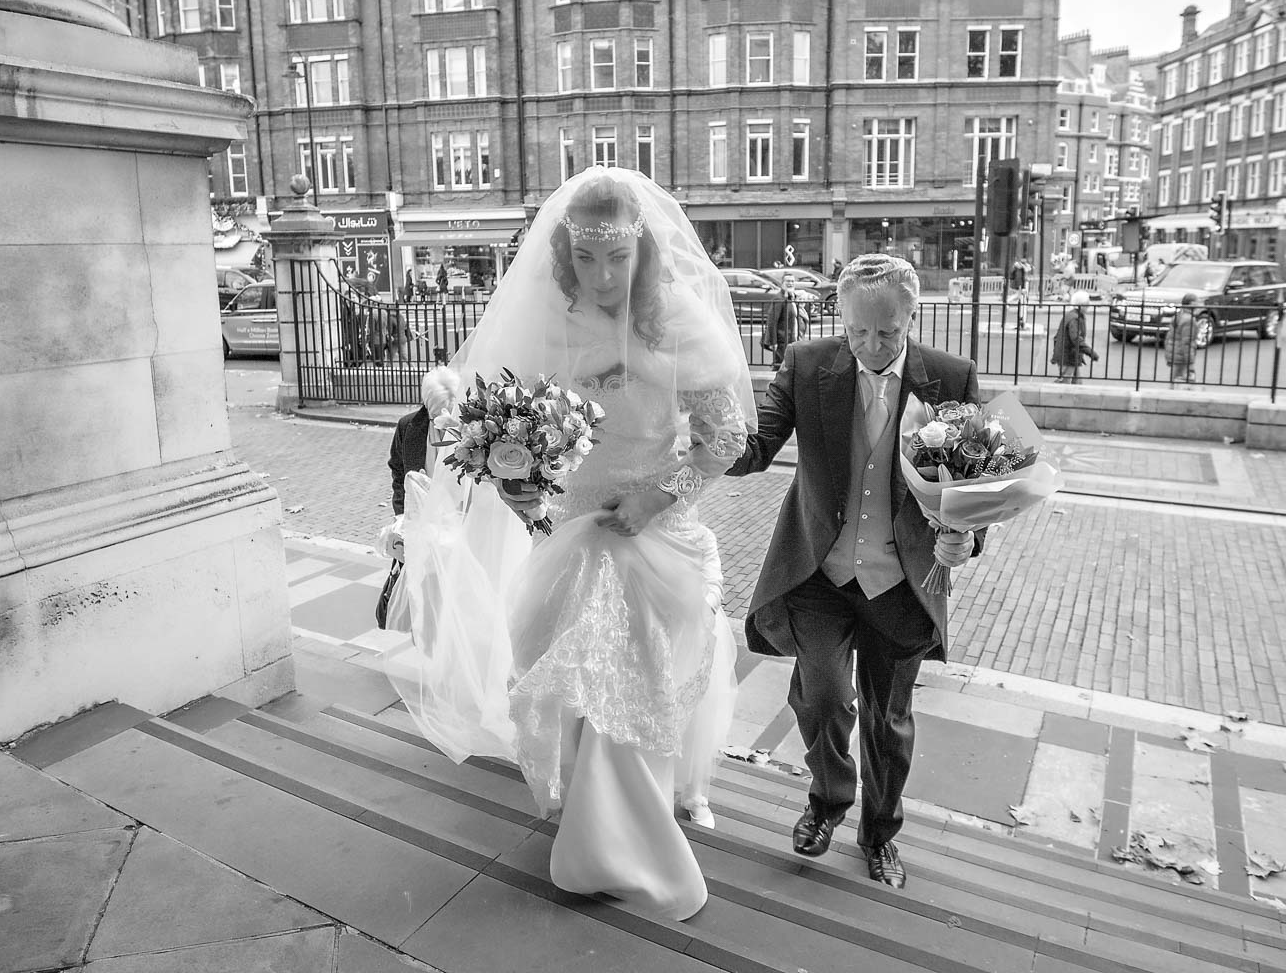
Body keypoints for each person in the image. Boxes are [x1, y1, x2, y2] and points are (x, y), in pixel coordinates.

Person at [387, 168, 754, 920]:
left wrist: (658, 496)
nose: (603, 275)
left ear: (643, 253)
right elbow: (513, 439)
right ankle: (601, 821)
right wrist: (521, 491)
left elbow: (727, 436)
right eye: (587, 259)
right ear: (565, 256)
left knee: (635, 688)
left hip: (653, 537)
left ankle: (620, 839)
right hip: (568, 534)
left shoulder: (677, 321)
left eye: (617, 257)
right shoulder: (549, 323)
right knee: (583, 691)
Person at [726, 255, 984, 890]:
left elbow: (976, 489)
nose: (872, 345)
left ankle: (880, 832)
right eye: (858, 331)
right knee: (820, 697)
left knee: (887, 721)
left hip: (901, 584)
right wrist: (707, 427)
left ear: (910, 317)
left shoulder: (951, 380)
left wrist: (964, 538)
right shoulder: (808, 365)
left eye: (888, 332)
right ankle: (827, 799)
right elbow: (755, 449)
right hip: (822, 572)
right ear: (839, 317)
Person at [380, 367, 463, 562]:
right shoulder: (407, 427)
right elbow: (398, 472)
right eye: (437, 418)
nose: (444, 425)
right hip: (420, 525)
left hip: (460, 525)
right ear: (426, 405)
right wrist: (402, 515)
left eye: (450, 415)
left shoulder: (472, 429)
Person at [1052, 290, 1098, 384]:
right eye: (1087, 304)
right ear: (1081, 305)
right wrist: (1090, 352)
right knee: (1065, 385)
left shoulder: (1072, 315)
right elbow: (1076, 339)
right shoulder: (1074, 318)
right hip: (1068, 357)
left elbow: (1057, 337)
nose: (1088, 306)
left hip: (1070, 356)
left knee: (1077, 385)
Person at [764, 288, 809, 370]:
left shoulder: (802, 311)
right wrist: (773, 341)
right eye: (800, 299)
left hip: (796, 340)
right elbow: (773, 321)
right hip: (786, 339)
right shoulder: (793, 309)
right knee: (782, 364)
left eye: (804, 299)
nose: (802, 301)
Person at [1165, 293, 1200, 387]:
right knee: (1183, 382)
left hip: (1175, 354)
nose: (1199, 304)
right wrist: (1190, 363)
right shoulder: (1189, 320)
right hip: (1182, 357)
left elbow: (1169, 336)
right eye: (1197, 302)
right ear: (1192, 303)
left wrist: (1168, 355)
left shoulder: (1178, 316)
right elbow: (1187, 343)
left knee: (1174, 381)